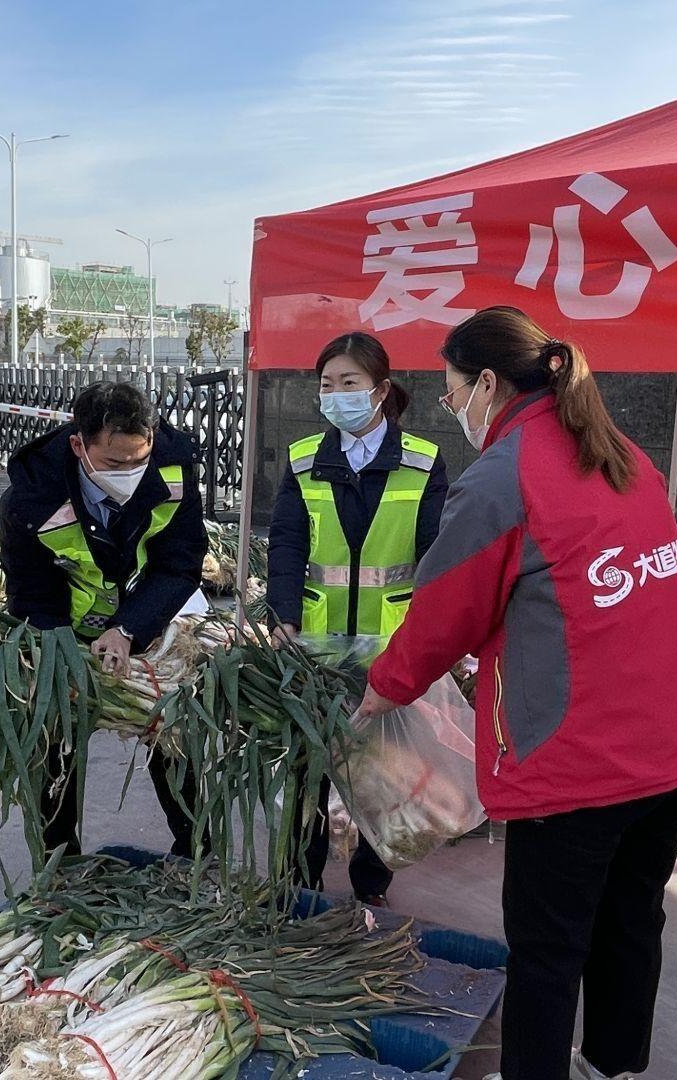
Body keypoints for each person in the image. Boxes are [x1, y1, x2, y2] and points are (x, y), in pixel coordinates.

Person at [356, 306, 677, 1080]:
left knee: (548, 950)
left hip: (582, 762)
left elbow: (441, 619)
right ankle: (615, 1068)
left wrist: (380, 693)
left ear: (488, 383)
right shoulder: (618, 451)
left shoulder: (503, 478)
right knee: (630, 923)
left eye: (453, 390)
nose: (451, 405)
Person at [268, 331, 448, 905]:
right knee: (308, 775)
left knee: (381, 776)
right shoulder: (303, 461)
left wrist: (430, 640)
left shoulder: (422, 463)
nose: (337, 395)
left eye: (350, 384)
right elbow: (288, 545)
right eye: (327, 385)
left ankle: (372, 887)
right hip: (315, 648)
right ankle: (301, 881)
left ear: (380, 390)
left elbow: (435, 554)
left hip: (388, 651)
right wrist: (283, 616)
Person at [0, 381, 209, 859]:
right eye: (115, 464)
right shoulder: (31, 498)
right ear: (79, 445)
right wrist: (62, 659)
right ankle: (60, 865)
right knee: (56, 748)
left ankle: (200, 855)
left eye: (141, 458)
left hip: (149, 627)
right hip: (68, 635)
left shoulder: (174, 468)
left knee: (170, 732)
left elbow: (180, 563)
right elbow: (32, 596)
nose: (131, 472)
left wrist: (130, 629)